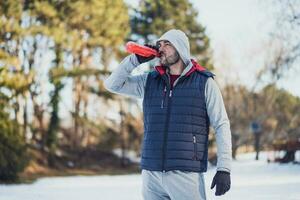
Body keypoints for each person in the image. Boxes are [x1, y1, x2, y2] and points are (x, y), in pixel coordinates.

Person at [104, 29, 232, 200]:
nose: (161, 48)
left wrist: (224, 168)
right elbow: (112, 85)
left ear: (181, 49)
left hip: (185, 173)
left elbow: (221, 124)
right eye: (159, 44)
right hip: (152, 174)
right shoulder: (150, 80)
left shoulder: (204, 82)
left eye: (167, 44)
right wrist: (134, 60)